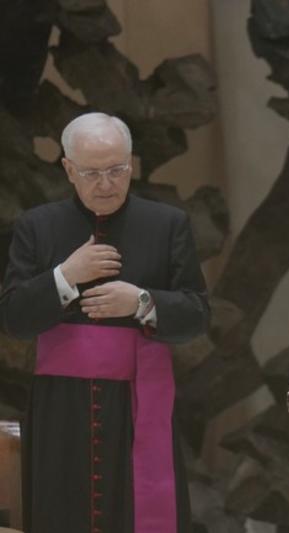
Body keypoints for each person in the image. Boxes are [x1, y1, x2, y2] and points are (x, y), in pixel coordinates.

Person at [0, 112, 210, 533]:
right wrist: (66, 276)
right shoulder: (36, 227)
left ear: (131, 163)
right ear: (68, 169)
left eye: (117, 170)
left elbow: (197, 315)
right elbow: (14, 319)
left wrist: (141, 302)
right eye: (92, 173)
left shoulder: (167, 225)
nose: (107, 183)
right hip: (61, 405)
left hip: (139, 401)